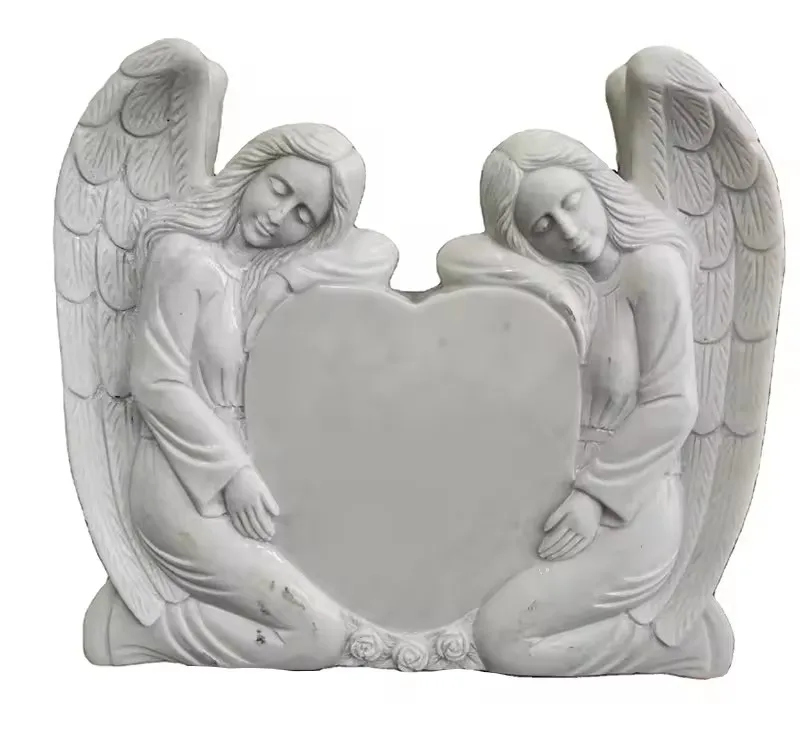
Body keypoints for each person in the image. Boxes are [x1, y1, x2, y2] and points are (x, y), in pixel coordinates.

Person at [90, 123, 396, 668]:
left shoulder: (257, 275)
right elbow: (156, 382)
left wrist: (287, 279)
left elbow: (379, 252)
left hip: (248, 479)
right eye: (279, 189)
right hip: (183, 483)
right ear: (251, 170)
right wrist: (233, 475)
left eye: (304, 215)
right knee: (319, 634)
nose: (280, 216)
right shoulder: (185, 258)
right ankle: (136, 628)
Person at [437, 130, 699, 676]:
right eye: (542, 227)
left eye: (572, 202)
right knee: (445, 586)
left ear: (598, 185)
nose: (570, 231)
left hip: (627, 508)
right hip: (549, 500)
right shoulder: (565, 287)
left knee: (501, 637)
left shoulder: (652, 269)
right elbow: (454, 258)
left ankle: (672, 642)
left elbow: (673, 402)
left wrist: (594, 497)